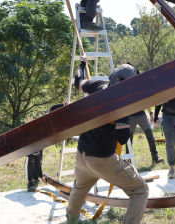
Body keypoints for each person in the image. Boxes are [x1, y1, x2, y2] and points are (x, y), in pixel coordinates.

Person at [66, 57, 149, 224]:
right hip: (102, 160)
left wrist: (82, 64)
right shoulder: (122, 105)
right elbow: (122, 139)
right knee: (140, 190)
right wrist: (125, 116)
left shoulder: (97, 86)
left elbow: (78, 81)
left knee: (79, 189)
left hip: (82, 155)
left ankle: (71, 221)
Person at [25, 103, 64, 192]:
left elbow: (52, 107)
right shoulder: (34, 145)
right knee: (30, 160)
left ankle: (36, 178)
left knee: (39, 158)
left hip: (40, 139)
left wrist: (63, 105)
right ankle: (30, 181)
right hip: (29, 141)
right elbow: (37, 161)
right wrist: (41, 175)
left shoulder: (49, 119)